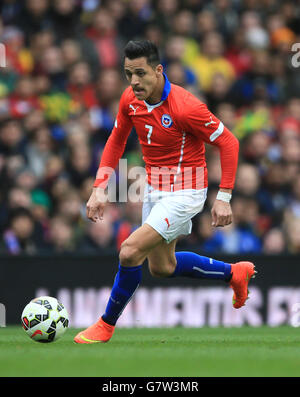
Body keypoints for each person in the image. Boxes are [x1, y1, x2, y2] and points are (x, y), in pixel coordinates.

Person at [74, 40, 256, 344]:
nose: (134, 81)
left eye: (141, 73)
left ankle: (105, 325)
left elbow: (229, 142)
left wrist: (223, 197)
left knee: (130, 251)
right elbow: (116, 140)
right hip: (155, 186)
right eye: (128, 73)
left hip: (187, 190)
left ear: (159, 71)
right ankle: (235, 273)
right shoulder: (129, 99)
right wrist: (99, 188)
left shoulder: (187, 107)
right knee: (162, 267)